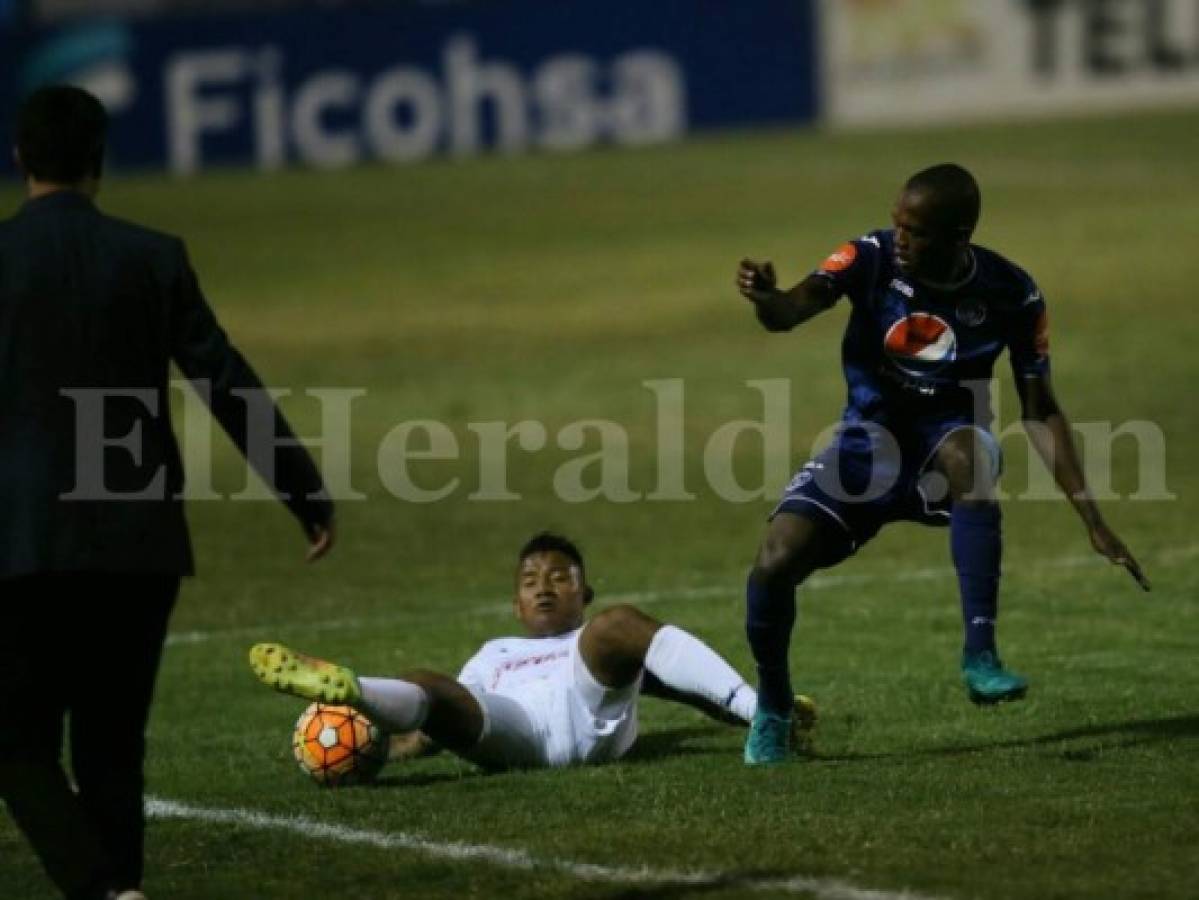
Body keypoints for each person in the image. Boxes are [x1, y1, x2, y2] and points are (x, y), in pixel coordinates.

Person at [0, 86, 335, 899]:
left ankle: (105, 891)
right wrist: (302, 489)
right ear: (99, 163)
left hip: (22, 541)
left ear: (20, 159)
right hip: (139, 541)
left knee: (16, 743)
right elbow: (224, 382)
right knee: (113, 748)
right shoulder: (151, 256)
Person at [735, 163, 1148, 765]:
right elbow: (791, 311)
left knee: (969, 455)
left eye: (916, 230)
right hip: (864, 445)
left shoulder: (1013, 293)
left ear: (959, 236)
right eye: (898, 222)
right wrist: (767, 298)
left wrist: (1092, 518)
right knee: (774, 563)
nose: (899, 237)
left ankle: (980, 655)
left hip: (945, 444)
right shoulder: (868, 256)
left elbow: (1041, 408)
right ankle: (772, 707)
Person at [251, 533, 814, 770]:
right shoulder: (493, 651)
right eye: (529, 581)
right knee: (430, 683)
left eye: (559, 578)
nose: (543, 586)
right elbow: (450, 716)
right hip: (510, 731)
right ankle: (355, 689)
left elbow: (692, 691)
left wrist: (751, 709)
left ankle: (765, 712)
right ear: (517, 605)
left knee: (620, 624)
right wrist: (384, 751)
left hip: (589, 706)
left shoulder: (595, 641)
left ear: (582, 592)